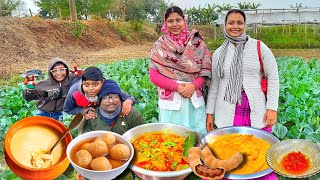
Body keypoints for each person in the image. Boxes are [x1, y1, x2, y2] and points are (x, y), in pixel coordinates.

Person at [206, 9, 279, 179]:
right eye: (231, 22)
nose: (235, 26)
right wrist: (210, 113)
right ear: (225, 25)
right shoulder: (218, 53)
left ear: (245, 25)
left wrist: (272, 108)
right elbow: (215, 85)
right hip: (227, 108)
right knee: (229, 150)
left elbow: (273, 78)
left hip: (254, 107)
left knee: (256, 149)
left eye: (239, 22)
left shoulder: (259, 47)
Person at [149, 6, 212, 135]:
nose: (175, 24)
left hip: (193, 98)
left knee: (197, 137)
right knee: (171, 138)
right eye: (170, 21)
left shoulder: (197, 43)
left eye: (178, 20)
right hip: (171, 100)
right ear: (165, 23)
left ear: (184, 21)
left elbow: (205, 71)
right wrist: (177, 87)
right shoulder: (159, 45)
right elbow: (154, 75)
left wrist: (193, 86)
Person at [76, 80, 145, 180]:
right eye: (105, 97)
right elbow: (84, 147)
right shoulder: (90, 116)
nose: (111, 100)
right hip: (99, 170)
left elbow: (143, 140)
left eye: (115, 96)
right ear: (99, 100)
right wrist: (83, 171)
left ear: (121, 98)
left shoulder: (133, 114)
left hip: (127, 165)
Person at [63, 67, 136, 121]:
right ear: (82, 83)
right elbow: (67, 109)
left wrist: (128, 102)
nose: (90, 89)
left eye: (95, 84)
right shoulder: (74, 92)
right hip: (84, 114)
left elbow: (130, 98)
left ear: (102, 82)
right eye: (86, 85)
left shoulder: (108, 88)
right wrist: (83, 111)